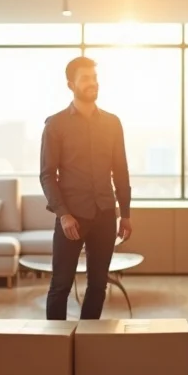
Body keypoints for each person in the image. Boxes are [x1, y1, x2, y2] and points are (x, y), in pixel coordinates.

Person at [40, 56, 133, 320]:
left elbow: (121, 170)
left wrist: (124, 213)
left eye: (94, 78)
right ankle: (55, 346)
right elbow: (47, 174)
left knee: (98, 285)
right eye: (85, 79)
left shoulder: (113, 123)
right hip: (72, 217)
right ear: (71, 84)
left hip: (105, 214)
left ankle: (86, 341)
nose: (92, 83)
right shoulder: (55, 124)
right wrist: (63, 214)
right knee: (60, 285)